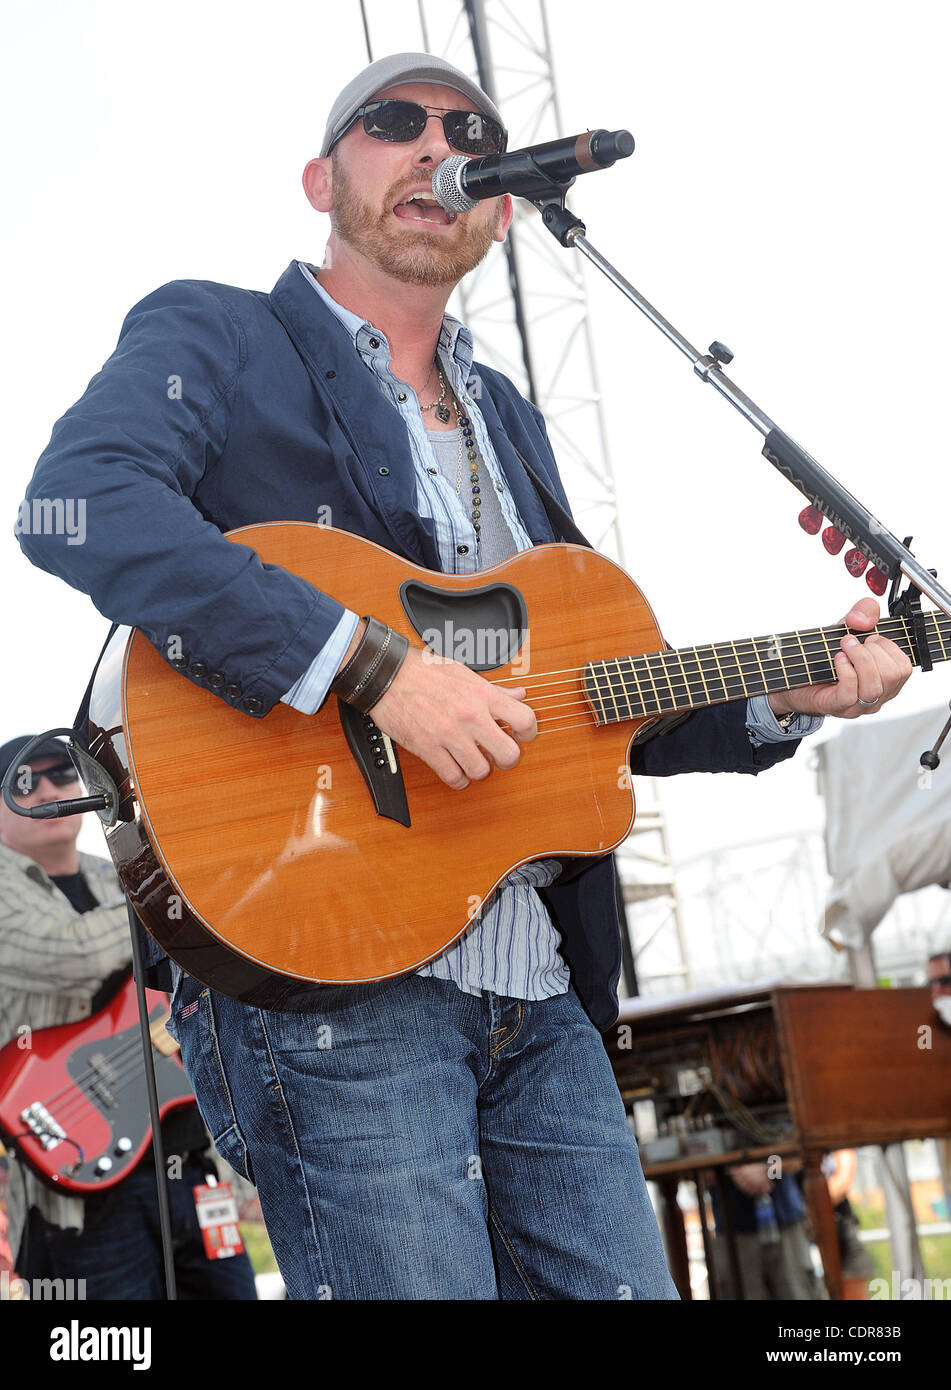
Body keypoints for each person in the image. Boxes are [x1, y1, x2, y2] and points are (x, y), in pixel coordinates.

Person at [15, 52, 912, 1299]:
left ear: (504, 202)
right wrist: (375, 669)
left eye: (471, 130)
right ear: (324, 177)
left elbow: (577, 702)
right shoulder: (219, 335)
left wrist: (787, 693)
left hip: (535, 982)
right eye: (397, 123)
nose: (440, 145)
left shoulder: (508, 414)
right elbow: (75, 506)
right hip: (325, 966)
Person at [0, 735, 258, 1299]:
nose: (47, 789)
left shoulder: (121, 875)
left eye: (62, 776)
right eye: (25, 781)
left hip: (191, 1171)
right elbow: (76, 955)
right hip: (77, 1192)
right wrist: (185, 893)